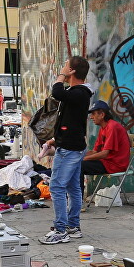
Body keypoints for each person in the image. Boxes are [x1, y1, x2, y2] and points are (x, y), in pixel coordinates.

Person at [41, 56, 93, 244]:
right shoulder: (77, 93)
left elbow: (57, 92)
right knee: (72, 187)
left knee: (56, 186)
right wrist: (55, 139)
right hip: (70, 144)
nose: (63, 68)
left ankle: (61, 229)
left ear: (72, 71)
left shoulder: (80, 92)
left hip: (70, 148)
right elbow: (71, 122)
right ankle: (73, 226)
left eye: (66, 66)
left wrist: (62, 75)